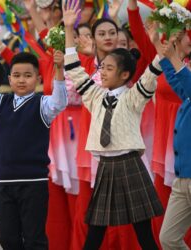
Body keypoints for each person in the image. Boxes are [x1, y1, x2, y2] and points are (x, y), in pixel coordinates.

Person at [63, 2, 164, 249]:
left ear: (125, 75)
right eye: (103, 67)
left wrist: (159, 43)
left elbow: (153, 71)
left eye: (109, 68)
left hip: (130, 165)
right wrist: (68, 29)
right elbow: (74, 70)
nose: (103, 73)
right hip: (105, 167)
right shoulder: (95, 96)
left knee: (144, 234)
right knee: (95, 233)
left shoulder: (134, 96)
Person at [0, 49, 67, 249]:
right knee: (8, 239)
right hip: (4, 180)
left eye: (28, 76)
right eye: (17, 75)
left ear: (37, 78)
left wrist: (59, 69)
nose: (22, 80)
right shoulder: (0, 101)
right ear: (9, 79)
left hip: (34, 182)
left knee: (34, 238)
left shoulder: (43, 104)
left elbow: (59, 102)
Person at [156, 33, 191, 250]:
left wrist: (174, 57)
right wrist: (157, 45)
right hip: (183, 178)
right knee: (168, 238)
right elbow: (176, 81)